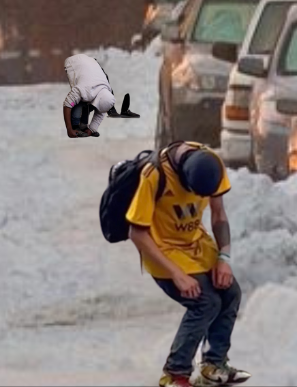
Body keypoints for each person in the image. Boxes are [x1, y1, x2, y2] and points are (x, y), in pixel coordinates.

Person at [125, 141, 250, 387]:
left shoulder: (212, 163)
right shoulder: (155, 175)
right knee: (205, 301)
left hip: (196, 245)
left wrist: (223, 258)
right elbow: (136, 233)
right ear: (183, 177)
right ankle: (175, 373)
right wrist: (177, 274)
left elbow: (218, 215)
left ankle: (213, 364)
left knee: (230, 292)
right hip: (163, 251)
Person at [62, 51, 139, 137]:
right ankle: (75, 126)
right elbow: (67, 105)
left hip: (90, 62)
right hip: (74, 62)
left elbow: (101, 111)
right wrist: (69, 129)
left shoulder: (107, 93)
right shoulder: (83, 90)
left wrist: (91, 129)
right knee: (79, 102)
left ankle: (83, 126)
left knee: (89, 102)